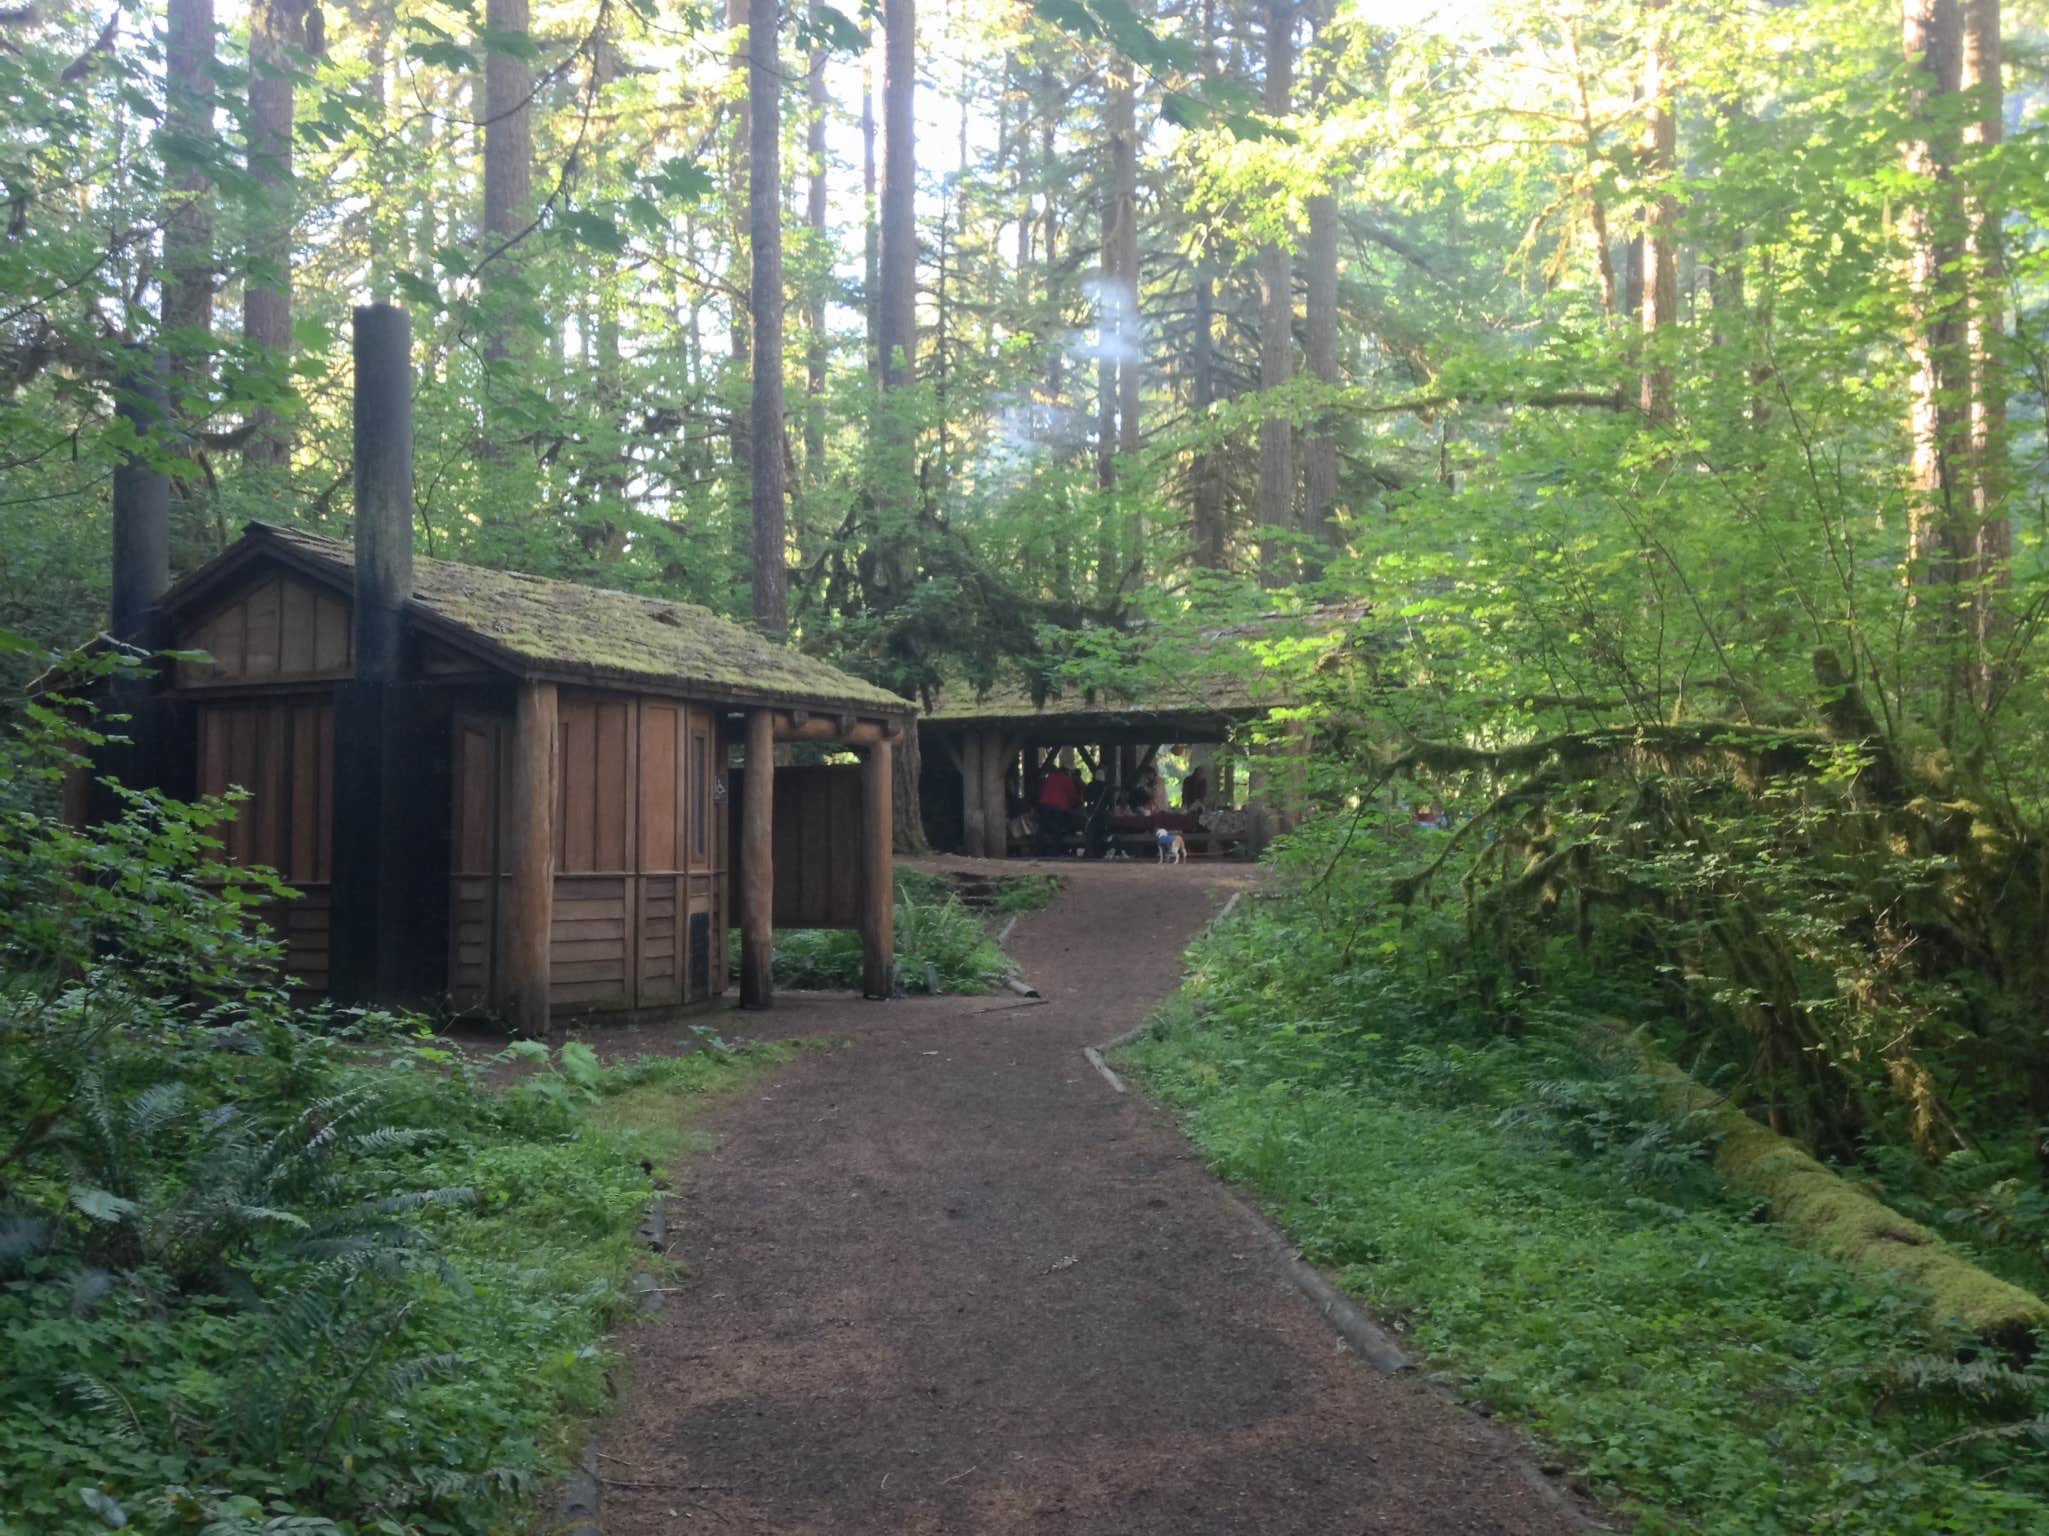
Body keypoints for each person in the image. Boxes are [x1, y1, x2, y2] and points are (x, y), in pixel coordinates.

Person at [1035, 761, 1084, 854]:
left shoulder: (1049, 778)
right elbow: (1072, 796)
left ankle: (1038, 851)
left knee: (1042, 829)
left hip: (1044, 806)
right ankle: (1055, 851)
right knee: (1058, 829)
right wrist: (1078, 802)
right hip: (1059, 807)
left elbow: (1041, 791)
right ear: (1066, 773)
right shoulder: (1067, 780)